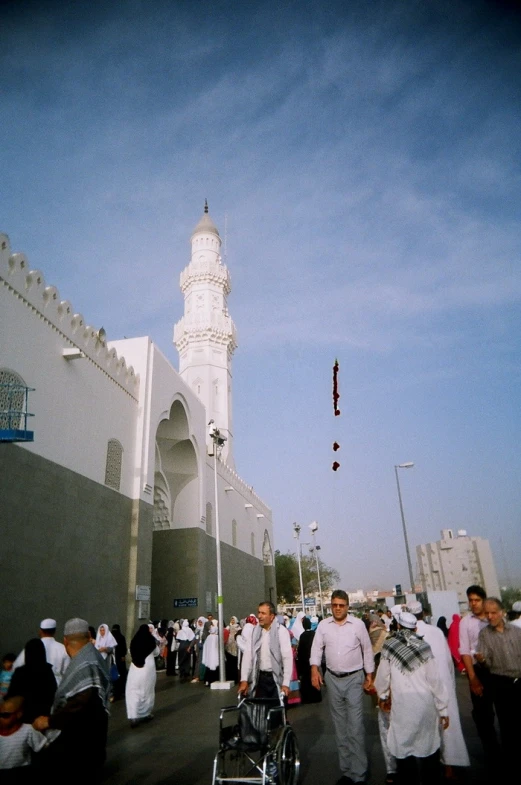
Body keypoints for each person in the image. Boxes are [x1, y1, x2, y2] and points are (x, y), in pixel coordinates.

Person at [32, 617, 111, 781]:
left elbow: (80, 703)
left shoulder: (85, 662)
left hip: (79, 744)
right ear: (89, 635)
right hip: (94, 738)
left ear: (65, 640)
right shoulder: (93, 655)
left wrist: (49, 722)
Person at [375, 611, 449, 785]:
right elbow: (435, 681)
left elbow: (382, 678)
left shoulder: (389, 646)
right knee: (428, 752)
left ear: (398, 626)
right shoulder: (424, 647)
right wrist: (443, 709)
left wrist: (383, 696)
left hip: (402, 709)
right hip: (425, 707)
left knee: (405, 756)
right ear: (415, 627)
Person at [310, 589, 375, 785]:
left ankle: (359, 774)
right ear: (331, 606)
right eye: (335, 605)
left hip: (354, 678)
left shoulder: (357, 625)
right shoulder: (323, 626)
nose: (338, 609)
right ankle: (347, 772)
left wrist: (369, 675)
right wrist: (315, 670)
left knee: (355, 727)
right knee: (340, 727)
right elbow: (316, 649)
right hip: (332, 679)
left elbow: (367, 649)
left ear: (347, 606)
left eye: (342, 605)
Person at [407, 600, 470, 777]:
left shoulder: (408, 635)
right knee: (447, 723)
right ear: (423, 614)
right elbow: (448, 662)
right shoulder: (436, 632)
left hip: (421, 686)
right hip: (442, 683)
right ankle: (450, 763)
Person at [459, 585, 500, 775]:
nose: (473, 604)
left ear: (484, 600)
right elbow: (465, 651)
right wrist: (472, 678)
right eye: (470, 600)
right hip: (478, 672)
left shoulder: (495, 619)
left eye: (476, 600)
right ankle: (492, 755)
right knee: (483, 718)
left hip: (500, 672)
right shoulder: (465, 622)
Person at [476, 597, 521, 766]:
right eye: (487, 613)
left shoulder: (517, 632)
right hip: (501, 684)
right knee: (507, 726)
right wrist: (481, 660)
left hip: (520, 681)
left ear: (502, 613)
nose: (490, 616)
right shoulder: (485, 634)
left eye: (494, 612)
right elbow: (487, 662)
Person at [238, 601, 293, 700]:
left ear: (272, 616)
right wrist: (244, 680)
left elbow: (287, 658)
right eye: (259, 612)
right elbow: (248, 656)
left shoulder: (281, 632)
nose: (259, 616)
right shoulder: (255, 632)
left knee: (276, 713)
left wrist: (285, 683)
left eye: (263, 613)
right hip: (259, 679)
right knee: (259, 713)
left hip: (276, 679)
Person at [7, 638, 57, 724]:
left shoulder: (20, 672)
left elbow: (11, 695)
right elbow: (53, 694)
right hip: (42, 719)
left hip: (22, 719)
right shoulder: (47, 671)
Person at [0, 695, 48, 784]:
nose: (1, 719)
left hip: (21, 772)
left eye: (6, 715)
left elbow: (43, 746)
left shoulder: (27, 730)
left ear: (18, 714)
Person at [13, 618, 69, 686]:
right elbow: (67, 672)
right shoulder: (62, 648)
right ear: (54, 631)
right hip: (55, 687)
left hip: (33, 686)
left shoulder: (31, 647)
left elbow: (16, 666)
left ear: (40, 631)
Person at [125, 624, 158, 727]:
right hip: (148, 669)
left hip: (135, 668)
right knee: (147, 692)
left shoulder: (134, 641)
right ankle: (146, 713)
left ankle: (133, 715)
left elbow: (130, 651)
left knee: (133, 691)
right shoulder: (151, 641)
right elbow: (157, 652)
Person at [296, 617, 321, 704]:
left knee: (306, 680)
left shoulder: (302, 636)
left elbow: (300, 650)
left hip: (305, 661)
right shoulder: (314, 634)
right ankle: (316, 696)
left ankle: (307, 698)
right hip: (313, 660)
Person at [110, 624, 127, 700]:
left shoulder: (121, 638)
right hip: (115, 659)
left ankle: (120, 691)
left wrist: (123, 655)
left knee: (120, 675)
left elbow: (123, 648)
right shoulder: (111, 638)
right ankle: (117, 692)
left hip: (119, 659)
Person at [202, 621, 220, 685]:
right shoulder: (217, 637)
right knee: (215, 668)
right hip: (215, 656)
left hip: (209, 656)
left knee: (208, 668)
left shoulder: (208, 637)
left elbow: (205, 646)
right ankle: (213, 680)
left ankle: (207, 681)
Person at [224, 616, 241, 683]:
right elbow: (226, 630)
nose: (232, 621)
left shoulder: (237, 627)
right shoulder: (229, 626)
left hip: (234, 643)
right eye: (231, 620)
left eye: (233, 620)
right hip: (229, 644)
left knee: (234, 659)